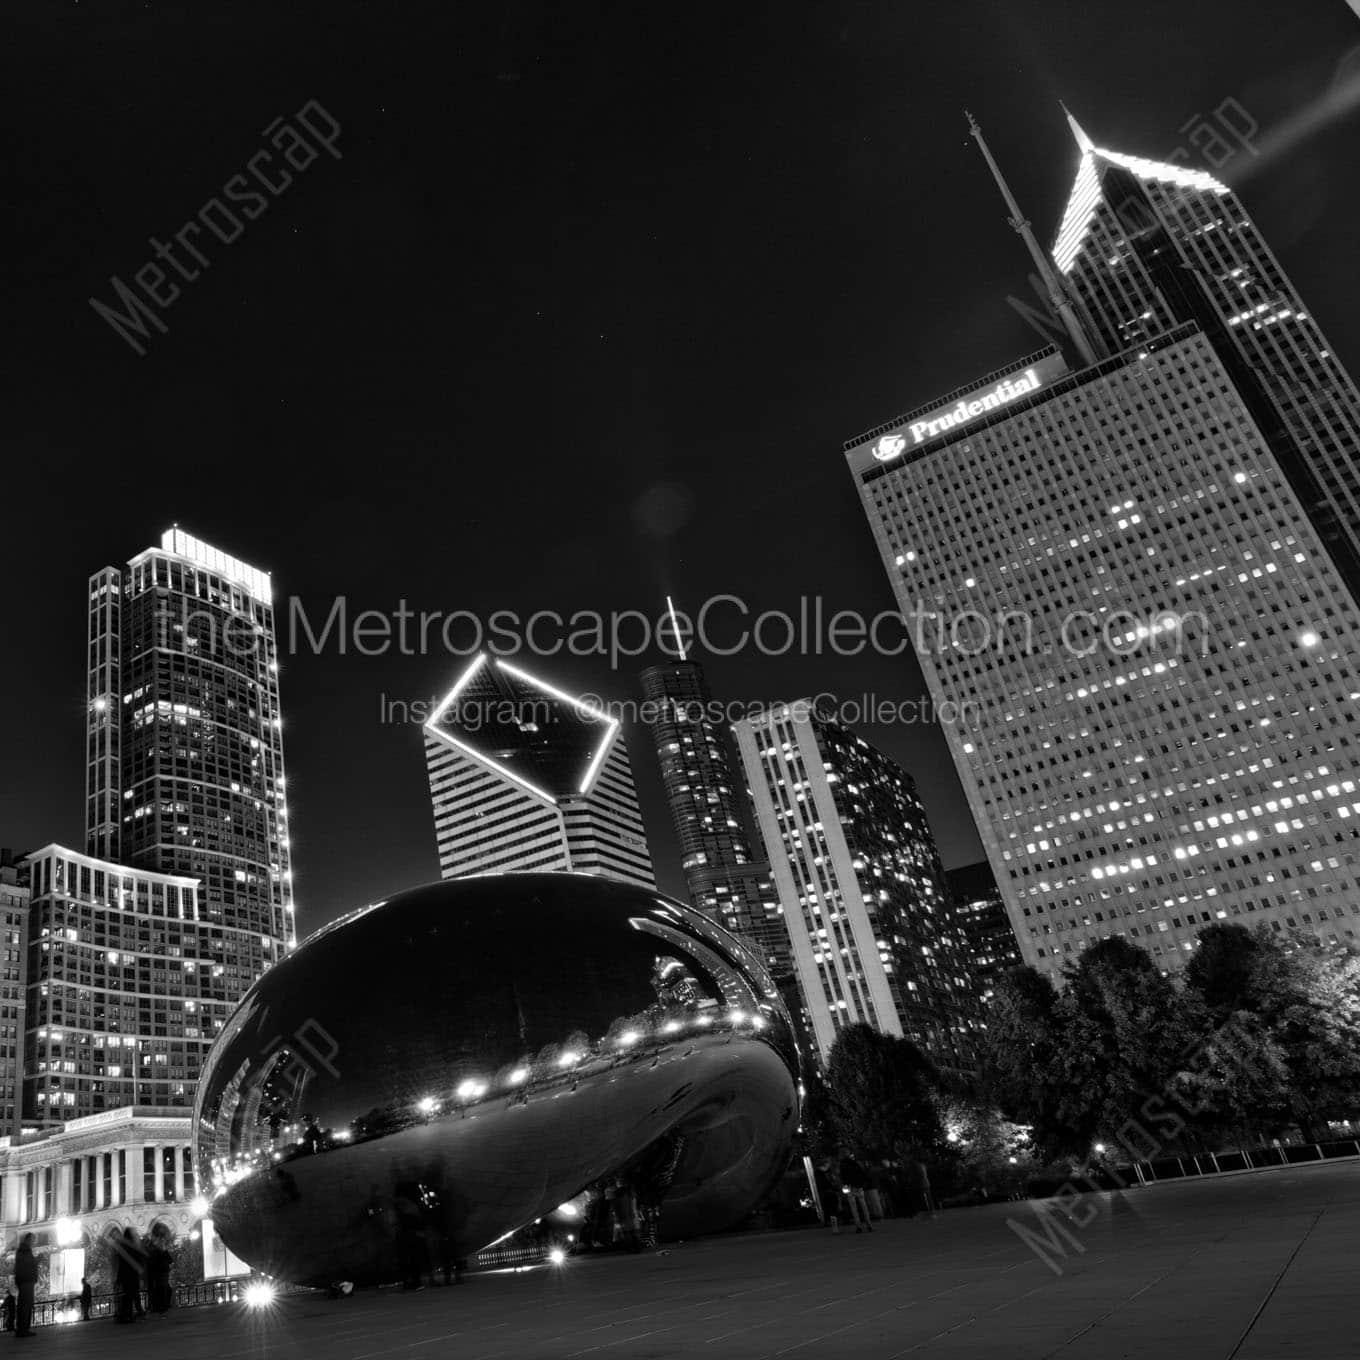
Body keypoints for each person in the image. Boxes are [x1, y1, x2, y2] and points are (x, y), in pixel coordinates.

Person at [838, 1151, 873, 1233]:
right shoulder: (855, 1164)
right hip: (858, 1187)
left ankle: (858, 1226)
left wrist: (845, 1185)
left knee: (854, 1208)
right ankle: (869, 1225)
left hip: (850, 1187)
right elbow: (862, 1174)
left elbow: (843, 1177)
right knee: (864, 1206)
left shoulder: (843, 1165)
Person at [116, 1225, 145, 1322]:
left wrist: (118, 1278)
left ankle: (127, 1315)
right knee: (132, 1295)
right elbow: (139, 1259)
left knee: (129, 1295)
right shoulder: (132, 1246)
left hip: (126, 1275)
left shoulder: (123, 1246)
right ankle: (129, 1314)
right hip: (132, 1274)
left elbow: (120, 1264)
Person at [14, 1233, 37, 1337]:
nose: (34, 1242)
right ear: (28, 1240)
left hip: (24, 1281)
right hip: (26, 1281)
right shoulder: (25, 1250)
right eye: (33, 1240)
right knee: (25, 1306)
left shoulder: (23, 1250)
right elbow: (27, 1264)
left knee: (24, 1306)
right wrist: (37, 1260)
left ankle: (22, 1329)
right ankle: (23, 1329)